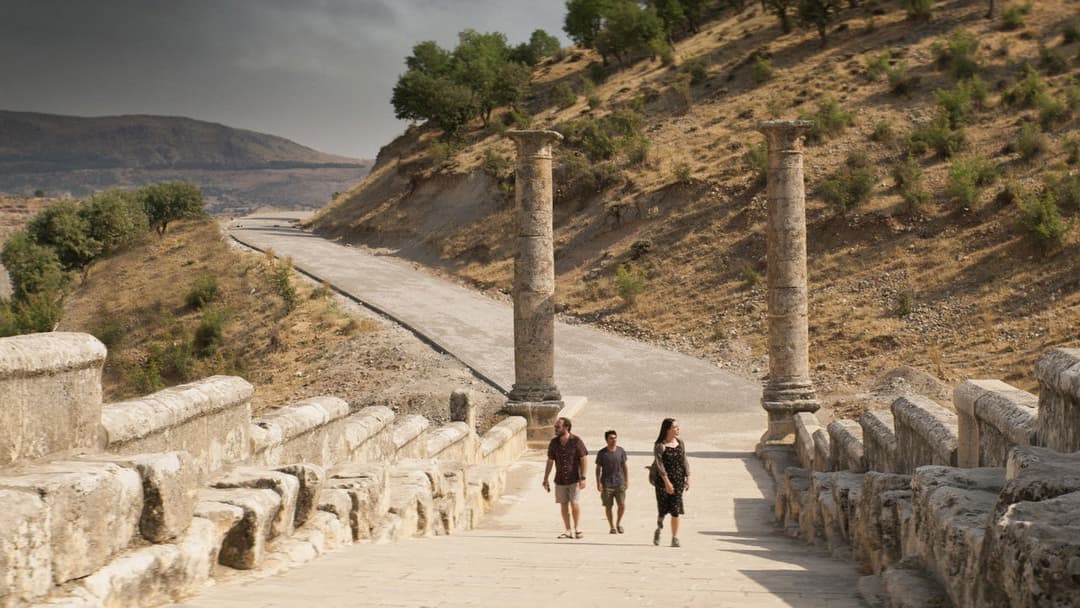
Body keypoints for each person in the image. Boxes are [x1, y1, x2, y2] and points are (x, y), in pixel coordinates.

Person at [542, 416, 588, 539]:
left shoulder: (576, 441)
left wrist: (583, 477)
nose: (555, 429)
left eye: (558, 427)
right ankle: (567, 530)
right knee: (563, 504)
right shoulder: (553, 442)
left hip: (574, 478)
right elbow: (550, 461)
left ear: (566, 427)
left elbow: (584, 459)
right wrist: (545, 478)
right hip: (560, 479)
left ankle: (577, 528)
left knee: (574, 503)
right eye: (555, 427)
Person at [652, 417, 689, 547]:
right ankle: (659, 529)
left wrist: (688, 477)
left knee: (675, 510)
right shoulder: (660, 446)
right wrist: (667, 482)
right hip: (663, 481)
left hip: (678, 479)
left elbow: (684, 459)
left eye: (678, 427)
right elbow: (659, 465)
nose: (678, 429)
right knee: (663, 509)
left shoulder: (680, 442)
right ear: (668, 429)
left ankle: (675, 537)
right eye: (675, 427)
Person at [595, 429, 628, 534]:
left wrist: (626, 480)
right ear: (606, 440)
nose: (613, 440)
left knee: (622, 505)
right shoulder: (602, 453)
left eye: (615, 438)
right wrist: (598, 482)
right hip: (606, 483)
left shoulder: (621, 451)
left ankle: (618, 523)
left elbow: (624, 466)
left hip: (619, 482)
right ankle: (612, 526)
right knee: (608, 506)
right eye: (611, 438)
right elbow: (598, 468)